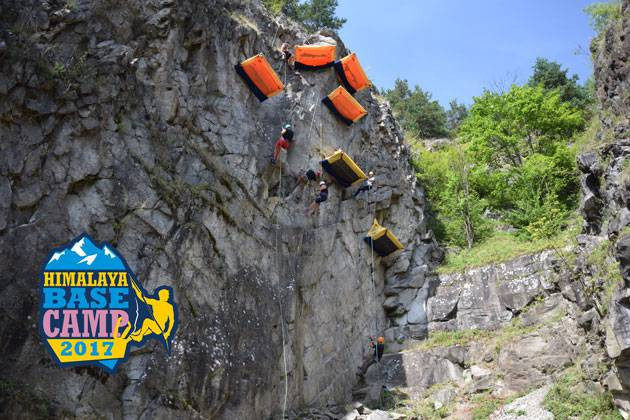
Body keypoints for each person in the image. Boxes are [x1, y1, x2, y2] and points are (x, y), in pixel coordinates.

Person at [128, 281, 175, 347]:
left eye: (168, 295)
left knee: (146, 322)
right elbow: (143, 299)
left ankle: (139, 337)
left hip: (160, 327)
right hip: (154, 325)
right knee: (141, 331)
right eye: (166, 295)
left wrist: (168, 332)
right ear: (161, 296)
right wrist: (137, 291)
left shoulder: (169, 307)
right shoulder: (155, 302)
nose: (168, 296)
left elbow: (172, 320)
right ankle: (135, 336)